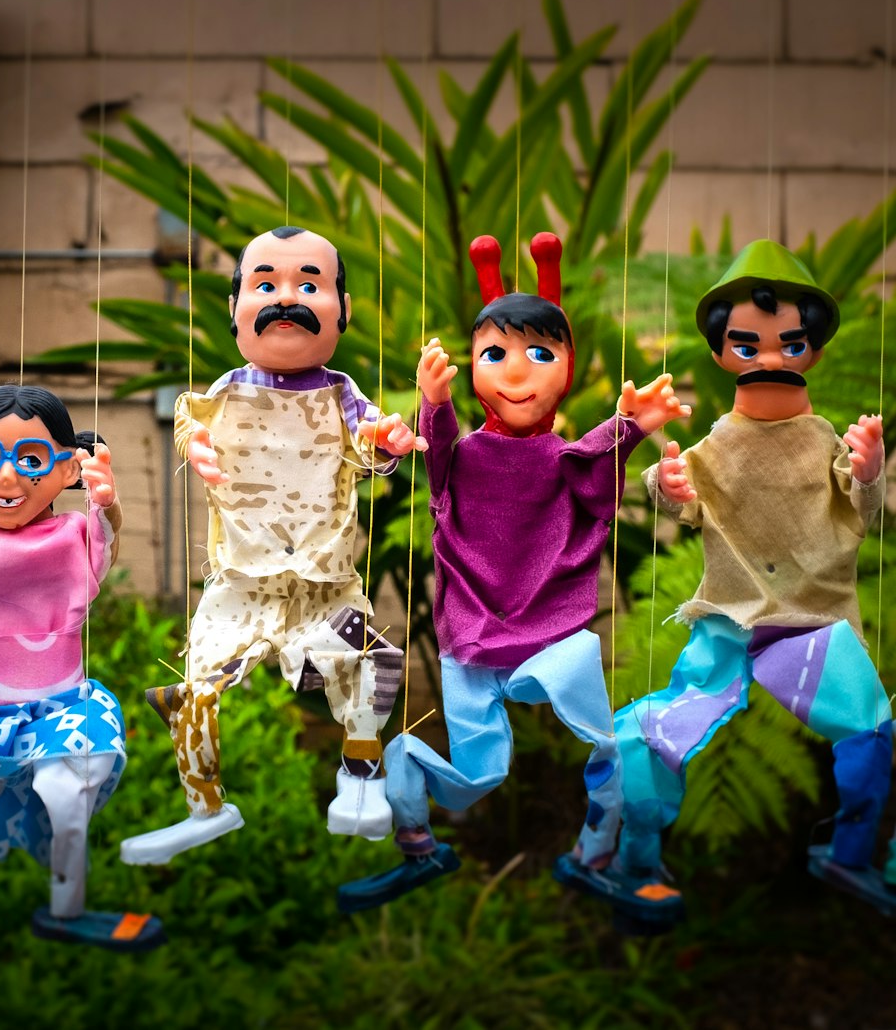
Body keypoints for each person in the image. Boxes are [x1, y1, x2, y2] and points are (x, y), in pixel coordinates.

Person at [338, 233, 690, 911]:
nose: (517, 373)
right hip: (472, 642)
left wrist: (634, 425)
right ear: (471, 366)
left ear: (568, 366)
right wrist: (432, 403)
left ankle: (596, 855)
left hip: (555, 640)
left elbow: (596, 465)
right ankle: (414, 832)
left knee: (609, 747)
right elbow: (438, 456)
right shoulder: (462, 456)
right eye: (494, 355)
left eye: (540, 353)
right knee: (478, 773)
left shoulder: (566, 459)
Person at [564, 239, 893, 927]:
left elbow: (861, 515)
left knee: (871, 727)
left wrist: (867, 473)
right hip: (728, 624)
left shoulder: (823, 437)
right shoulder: (718, 440)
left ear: (812, 352)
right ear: (721, 356)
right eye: (748, 347)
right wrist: (669, 480)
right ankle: (629, 859)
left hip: (809, 623)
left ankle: (851, 852)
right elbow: (675, 489)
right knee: (652, 736)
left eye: (787, 344)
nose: (769, 359)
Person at [121, 226, 423, 866]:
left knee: (370, 659)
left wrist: (389, 441)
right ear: (233, 309)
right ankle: (203, 805)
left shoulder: (343, 395)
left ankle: (360, 774)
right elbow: (191, 428)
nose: (286, 298)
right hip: (241, 584)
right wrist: (195, 448)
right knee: (195, 690)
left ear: (342, 311)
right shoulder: (223, 392)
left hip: (324, 583)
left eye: (308, 285)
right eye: (266, 284)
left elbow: (371, 441)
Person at [0, 386, 162, 949]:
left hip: (63, 709)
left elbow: (106, 536)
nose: (10, 481)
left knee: (64, 792)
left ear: (67, 469)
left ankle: (67, 908)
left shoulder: (73, 537)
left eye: (33, 461)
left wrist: (106, 501)